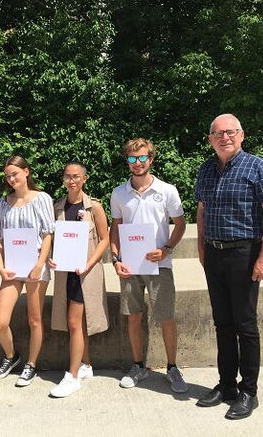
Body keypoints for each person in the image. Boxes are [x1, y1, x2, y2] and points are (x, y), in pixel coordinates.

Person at [195, 114, 263, 419]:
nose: (225, 137)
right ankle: (226, 385)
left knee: (245, 325)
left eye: (231, 132)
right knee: (222, 323)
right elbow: (201, 210)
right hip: (214, 254)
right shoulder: (206, 169)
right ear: (211, 139)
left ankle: (249, 391)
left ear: (242, 135)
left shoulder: (257, 167)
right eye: (219, 133)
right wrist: (201, 248)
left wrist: (261, 258)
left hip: (244, 254)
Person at [110, 138, 187, 393]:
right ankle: (138, 366)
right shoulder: (119, 193)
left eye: (142, 157)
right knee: (134, 317)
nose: (138, 163)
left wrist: (166, 249)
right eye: (132, 158)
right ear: (127, 161)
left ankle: (172, 368)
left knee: (166, 317)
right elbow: (115, 227)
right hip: (130, 266)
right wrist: (115, 259)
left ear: (151, 159)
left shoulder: (167, 190)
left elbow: (180, 224)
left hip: (160, 265)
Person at [48, 161, 110, 398]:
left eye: (76, 176)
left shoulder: (94, 207)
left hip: (85, 274)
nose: (71, 180)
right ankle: (86, 365)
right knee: (78, 323)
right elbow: (51, 239)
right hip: (66, 273)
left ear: (84, 179)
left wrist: (89, 263)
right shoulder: (57, 207)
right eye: (68, 176)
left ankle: (72, 376)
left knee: (73, 322)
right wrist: (51, 257)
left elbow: (105, 239)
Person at [0, 156, 54, 386]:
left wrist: (39, 265)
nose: (11, 179)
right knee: (0, 322)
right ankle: (11, 356)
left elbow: (48, 234)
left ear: (26, 172)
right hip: (12, 267)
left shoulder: (42, 198)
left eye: (15, 174)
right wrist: (0, 265)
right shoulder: (4, 202)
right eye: (8, 176)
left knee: (34, 319)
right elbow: (0, 239)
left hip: (36, 266)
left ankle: (32, 364)